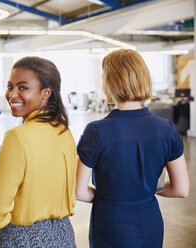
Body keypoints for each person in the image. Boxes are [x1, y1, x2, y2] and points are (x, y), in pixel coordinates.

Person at [76, 49, 189, 248]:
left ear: (111, 82)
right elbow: (181, 190)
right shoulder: (167, 129)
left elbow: (79, 191)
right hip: (150, 220)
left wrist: (108, 198)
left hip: (110, 222)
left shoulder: (96, 132)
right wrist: (145, 191)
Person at [0, 56, 77, 247]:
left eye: (23, 87)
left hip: (21, 239)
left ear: (46, 93)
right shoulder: (64, 133)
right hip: (63, 236)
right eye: (10, 86)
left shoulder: (17, 137)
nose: (12, 94)